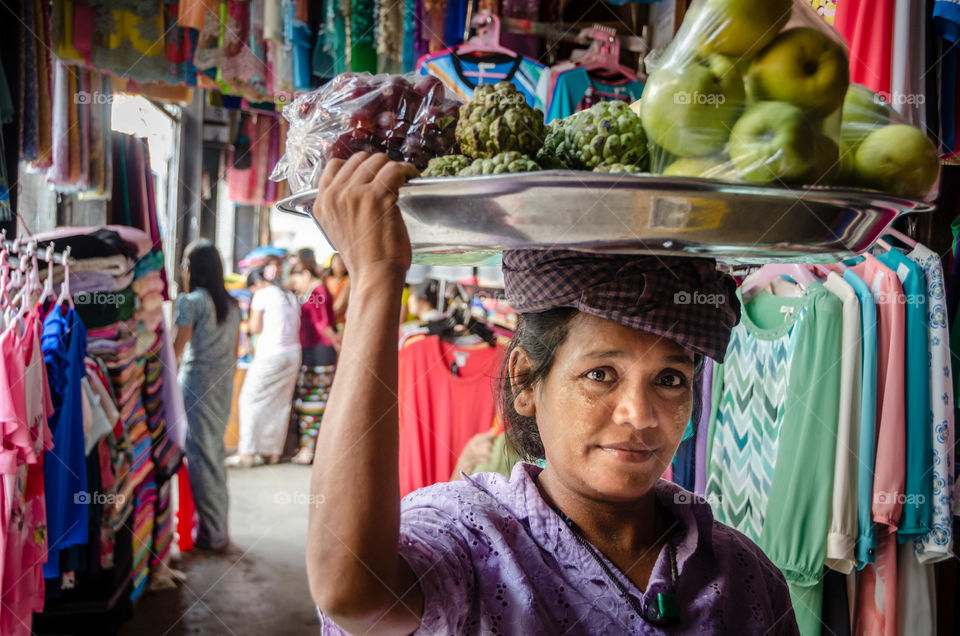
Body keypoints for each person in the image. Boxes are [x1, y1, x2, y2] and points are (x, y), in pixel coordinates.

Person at [305, 153, 800, 634]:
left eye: (670, 380)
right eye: (601, 374)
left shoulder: (743, 575)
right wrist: (375, 278)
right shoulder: (471, 538)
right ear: (525, 381)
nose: (640, 414)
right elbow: (355, 593)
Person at [173, 240, 241, 551]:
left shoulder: (192, 302)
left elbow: (176, 351)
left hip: (197, 384)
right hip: (222, 385)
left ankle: (211, 534)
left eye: (186, 264)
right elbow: (234, 351)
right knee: (214, 454)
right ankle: (218, 528)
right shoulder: (231, 304)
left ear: (194, 269)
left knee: (199, 455)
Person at [229, 268, 302, 467]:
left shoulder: (262, 294)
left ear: (257, 284)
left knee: (249, 399)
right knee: (280, 403)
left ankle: (247, 452)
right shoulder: (288, 295)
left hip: (271, 353)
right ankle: (272, 452)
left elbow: (255, 327)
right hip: (293, 354)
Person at [289, 248, 341, 465]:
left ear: (306, 274)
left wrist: (340, 347)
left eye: (296, 278)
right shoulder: (314, 292)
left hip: (320, 353)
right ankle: (308, 448)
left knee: (314, 402)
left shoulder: (318, 292)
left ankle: (310, 450)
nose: (295, 284)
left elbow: (323, 325)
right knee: (309, 400)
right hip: (312, 352)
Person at [325, 252, 350, 326]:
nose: (341, 263)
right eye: (338, 261)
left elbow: (340, 307)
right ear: (332, 264)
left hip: (339, 322)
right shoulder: (327, 280)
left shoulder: (347, 281)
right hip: (327, 321)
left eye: (343, 261)